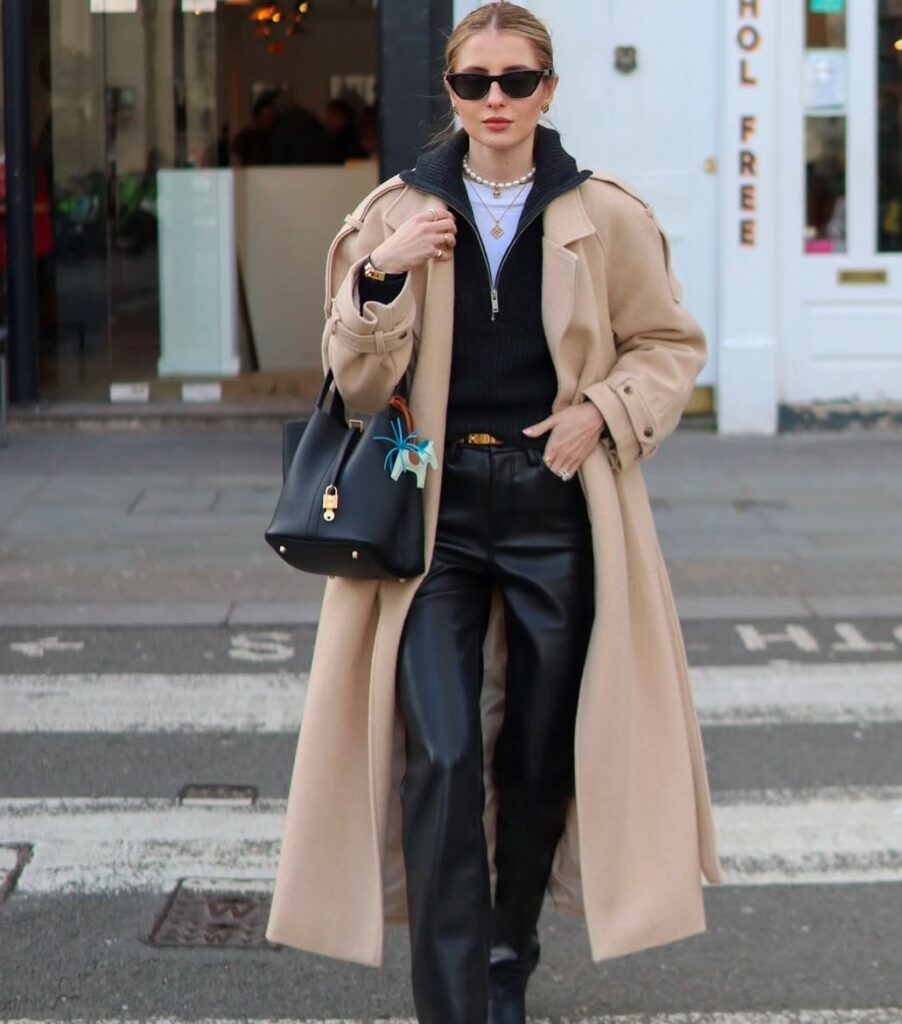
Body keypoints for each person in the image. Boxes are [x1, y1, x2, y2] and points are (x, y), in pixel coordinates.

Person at [266, 5, 723, 1024]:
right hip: (430, 514)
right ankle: (458, 997)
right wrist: (384, 273)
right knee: (438, 750)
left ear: (549, 89)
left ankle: (509, 945)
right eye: (475, 84)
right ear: (452, 93)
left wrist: (599, 413)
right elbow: (349, 383)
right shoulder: (398, 209)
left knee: (539, 752)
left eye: (517, 81)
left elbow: (667, 345)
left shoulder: (603, 215)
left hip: (556, 505)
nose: (497, 102)